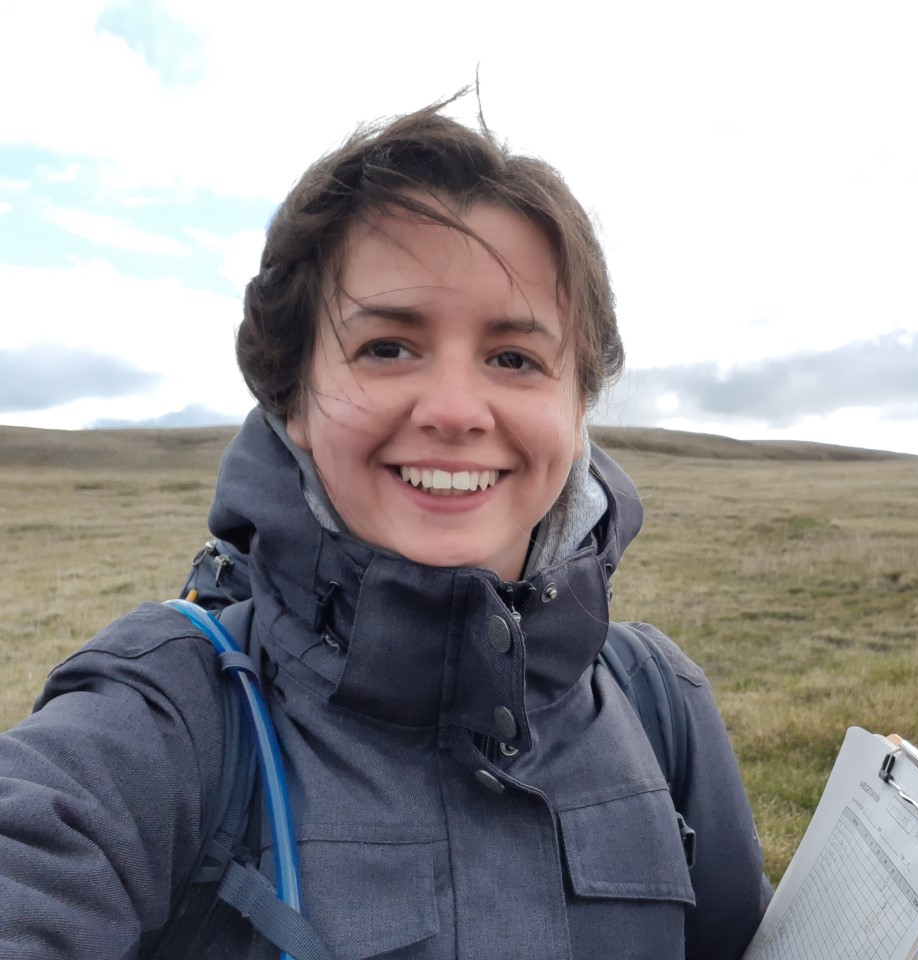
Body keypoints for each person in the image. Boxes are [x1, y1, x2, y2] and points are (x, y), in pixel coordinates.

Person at [0, 97, 769, 959]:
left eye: (515, 359)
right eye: (388, 348)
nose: (451, 411)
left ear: (577, 405)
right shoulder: (165, 723)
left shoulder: (659, 702)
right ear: (293, 399)